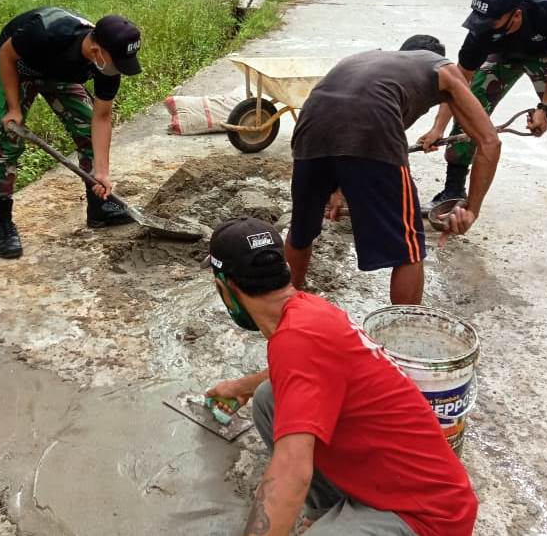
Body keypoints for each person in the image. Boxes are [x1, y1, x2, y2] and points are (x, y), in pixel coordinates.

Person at [203, 217, 479, 536]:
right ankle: (327, 512)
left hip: (428, 518)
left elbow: (292, 472)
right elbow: (304, 372)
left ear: (225, 288)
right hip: (405, 486)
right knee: (269, 396)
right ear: (285, 271)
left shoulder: (296, 339)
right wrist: (242, 387)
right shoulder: (309, 313)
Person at [286, 35, 501, 304]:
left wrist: (337, 186)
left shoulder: (375, 62)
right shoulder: (444, 68)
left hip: (311, 124)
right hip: (370, 121)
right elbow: (489, 142)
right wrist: (472, 210)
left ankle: (283, 312)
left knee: (301, 230)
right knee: (408, 247)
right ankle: (403, 335)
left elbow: (345, 118)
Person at [420, 0, 547, 246]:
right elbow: (456, 84)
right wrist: (438, 128)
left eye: (491, 21)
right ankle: (453, 189)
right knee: (470, 111)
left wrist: (544, 109)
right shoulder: (481, 30)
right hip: (502, 56)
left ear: (516, 15)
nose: (482, 26)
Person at [0, 7, 143, 259]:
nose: (119, 70)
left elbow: (101, 117)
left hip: (59, 72)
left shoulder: (107, 65)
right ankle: (1, 221)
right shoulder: (45, 33)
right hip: (19, 64)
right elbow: (6, 55)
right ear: (96, 51)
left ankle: (99, 208)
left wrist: (101, 171)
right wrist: (13, 108)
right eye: (118, 63)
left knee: (86, 128)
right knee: (6, 139)